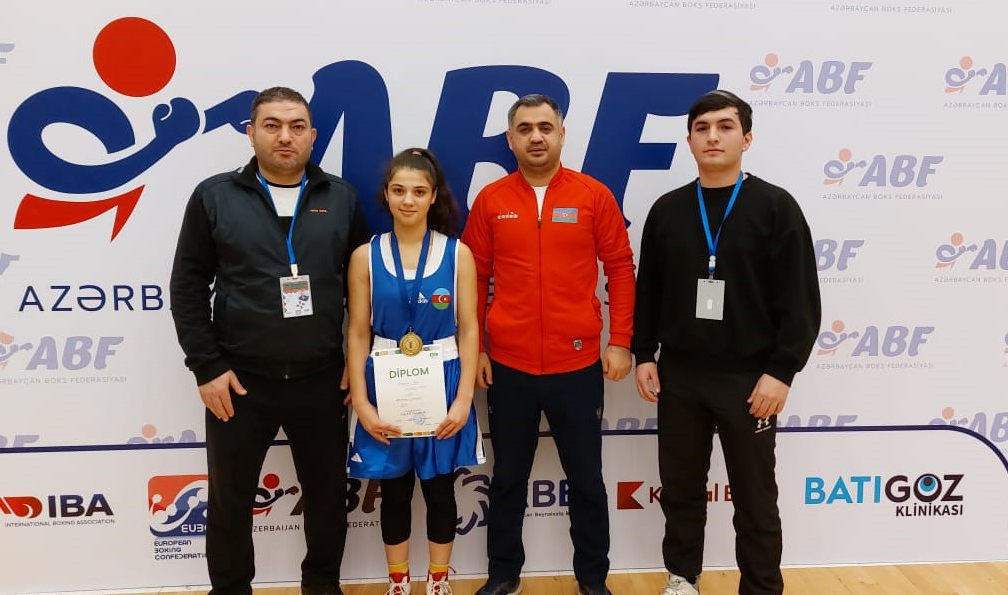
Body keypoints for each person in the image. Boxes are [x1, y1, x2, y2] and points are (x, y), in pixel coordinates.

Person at [169, 86, 369, 595]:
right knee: (231, 499)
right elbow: (187, 286)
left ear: (312, 135)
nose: (285, 136)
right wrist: (207, 366)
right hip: (239, 381)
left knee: (327, 496)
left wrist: (357, 363)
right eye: (272, 125)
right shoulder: (214, 196)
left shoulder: (341, 198)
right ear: (251, 132)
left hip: (322, 378)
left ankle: (321, 587)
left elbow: (364, 290)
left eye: (297, 126)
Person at [632, 90, 821, 595]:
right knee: (681, 490)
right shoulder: (668, 210)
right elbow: (649, 289)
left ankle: (761, 587)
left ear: (747, 138)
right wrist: (644, 353)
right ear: (689, 140)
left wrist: (781, 371)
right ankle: (682, 579)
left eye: (725, 126)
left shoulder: (776, 207)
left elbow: (801, 299)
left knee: (755, 497)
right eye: (702, 128)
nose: (713, 136)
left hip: (750, 379)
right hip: (681, 376)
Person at [461, 94, 636, 595]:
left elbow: (620, 269)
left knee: (586, 480)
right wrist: (479, 350)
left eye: (544, 127)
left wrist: (621, 341)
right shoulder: (491, 200)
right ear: (510, 138)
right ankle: (503, 575)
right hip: (509, 367)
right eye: (524, 129)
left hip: (576, 366)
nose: (535, 136)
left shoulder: (593, 196)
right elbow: (473, 276)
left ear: (561, 134)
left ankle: (592, 578)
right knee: (508, 478)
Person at [345, 148, 483, 595]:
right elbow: (358, 332)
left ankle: (439, 582)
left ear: (433, 196)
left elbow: (469, 328)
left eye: (419, 191)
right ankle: (399, 583)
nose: (408, 200)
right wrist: (362, 402)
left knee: (440, 489)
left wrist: (463, 399)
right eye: (399, 190)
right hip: (385, 382)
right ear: (386, 194)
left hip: (442, 380)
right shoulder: (365, 256)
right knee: (395, 489)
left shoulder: (457, 254)